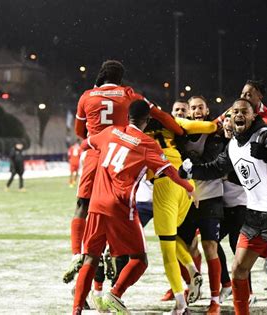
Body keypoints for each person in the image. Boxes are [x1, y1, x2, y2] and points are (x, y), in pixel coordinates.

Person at [180, 98, 267, 315]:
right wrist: (190, 171)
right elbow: (217, 168)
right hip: (254, 216)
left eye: (244, 111)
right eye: (234, 111)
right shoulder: (233, 145)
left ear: (253, 115)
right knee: (238, 271)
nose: (238, 115)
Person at [64, 60, 183, 284]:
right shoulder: (130, 95)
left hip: (95, 156)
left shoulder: (86, 96)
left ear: (101, 75)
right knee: (118, 213)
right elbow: (159, 115)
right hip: (121, 158)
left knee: (83, 206)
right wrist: (180, 131)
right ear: (121, 78)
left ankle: (77, 255)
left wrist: (97, 138)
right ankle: (113, 277)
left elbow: (80, 132)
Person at [72, 100, 196, 315]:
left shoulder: (110, 131)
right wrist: (189, 188)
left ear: (127, 117)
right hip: (121, 207)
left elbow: (86, 144)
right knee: (139, 259)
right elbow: (171, 172)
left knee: (91, 258)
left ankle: (76, 310)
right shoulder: (147, 144)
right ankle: (115, 294)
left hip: (96, 205)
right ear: (147, 121)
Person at [144, 99, 219, 314]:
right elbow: (209, 126)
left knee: (166, 247)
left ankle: (180, 304)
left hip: (165, 184)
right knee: (173, 235)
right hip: (187, 183)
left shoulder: (136, 132)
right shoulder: (172, 123)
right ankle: (192, 269)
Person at [177, 95, 225, 314]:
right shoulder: (180, 134)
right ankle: (189, 287)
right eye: (192, 108)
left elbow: (211, 165)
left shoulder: (215, 134)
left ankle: (215, 301)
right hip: (185, 200)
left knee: (209, 246)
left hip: (210, 197)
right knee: (182, 247)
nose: (196, 111)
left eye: (200, 108)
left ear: (206, 111)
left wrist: (187, 164)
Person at [216, 113, 250, 304]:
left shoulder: (242, 144)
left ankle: (249, 292)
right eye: (225, 119)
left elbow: (245, 173)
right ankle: (226, 283)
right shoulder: (218, 143)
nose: (228, 123)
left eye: (231, 120)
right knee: (211, 242)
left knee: (240, 252)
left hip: (240, 205)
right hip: (222, 206)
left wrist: (225, 176)